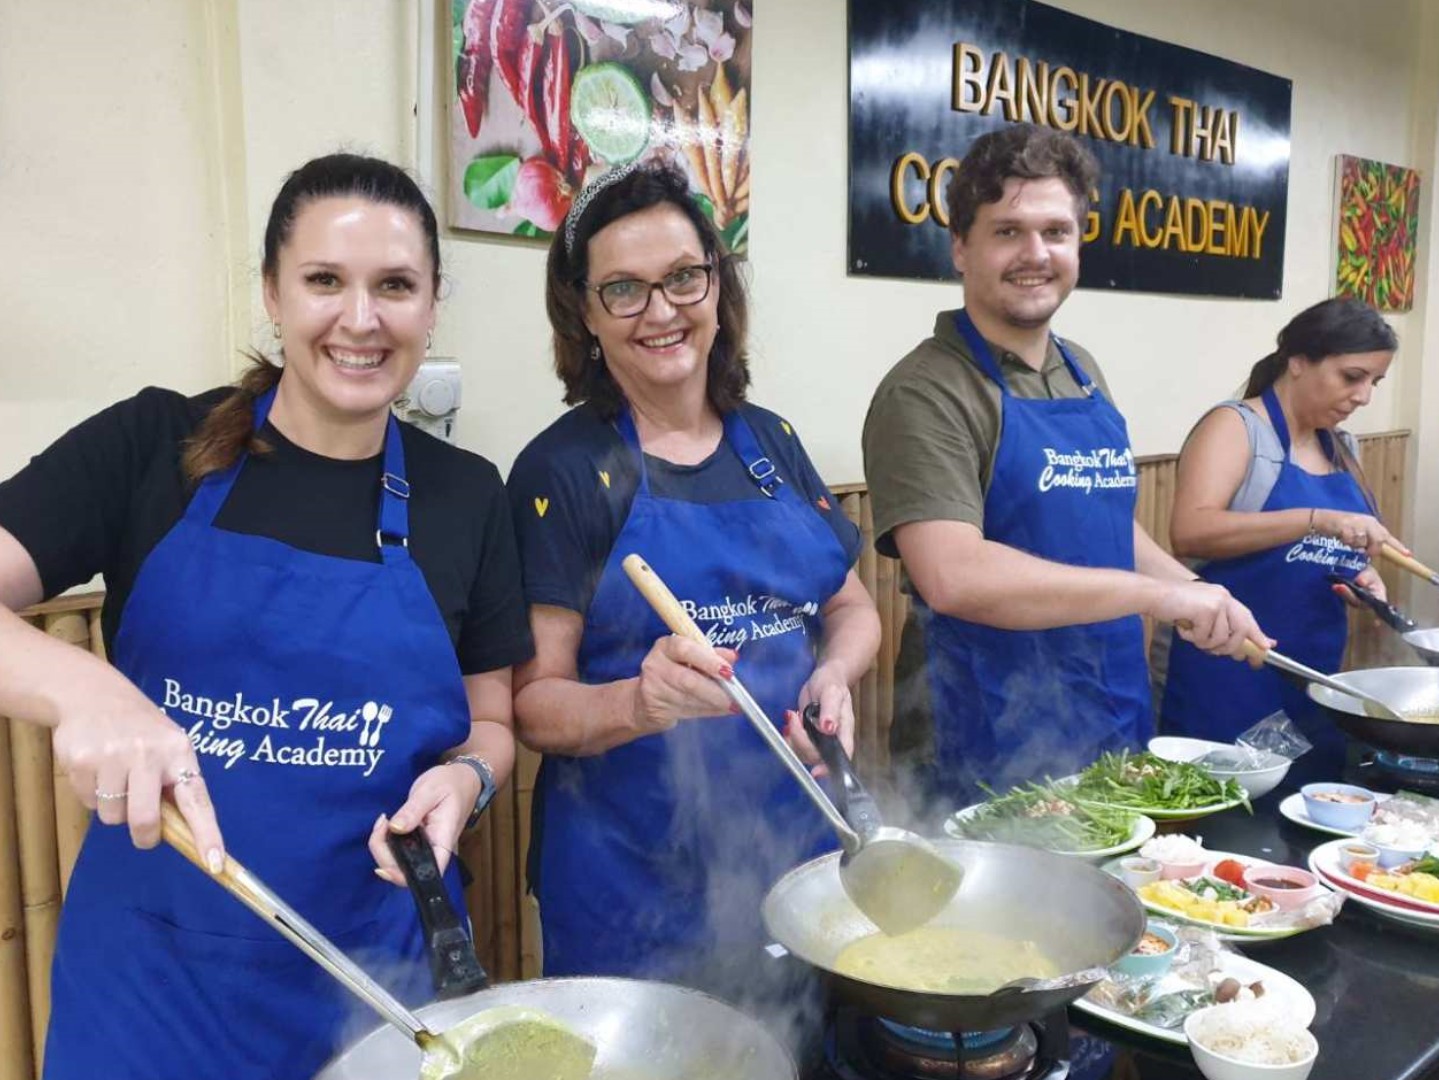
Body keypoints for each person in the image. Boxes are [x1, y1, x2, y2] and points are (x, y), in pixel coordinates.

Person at [0, 154, 533, 1079]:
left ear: (432, 303)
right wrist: (88, 691)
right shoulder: (154, 446)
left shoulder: (467, 494)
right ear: (272, 294)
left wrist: (467, 785)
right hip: (152, 995)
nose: (360, 319)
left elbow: (492, 724)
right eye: (324, 280)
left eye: (395, 286)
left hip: (376, 989)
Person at [508, 161, 881, 992]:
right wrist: (639, 704)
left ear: (717, 284)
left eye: (683, 277)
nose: (662, 311)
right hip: (635, 886)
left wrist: (834, 670)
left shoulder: (771, 440)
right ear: (584, 312)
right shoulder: (563, 471)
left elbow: (850, 605)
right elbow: (534, 704)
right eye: (624, 290)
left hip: (795, 852)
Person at [862, 124, 1269, 820]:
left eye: (1056, 231)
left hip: (1105, 714)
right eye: (1007, 232)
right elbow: (953, 576)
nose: (1035, 254)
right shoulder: (926, 391)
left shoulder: (1082, 370)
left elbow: (1109, 528)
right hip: (980, 736)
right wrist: (1154, 598)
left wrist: (1198, 591)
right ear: (960, 247)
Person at [1158, 298, 1399, 781]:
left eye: (1375, 382)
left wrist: (1361, 575)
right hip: (1226, 673)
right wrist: (1314, 518)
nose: (1364, 396)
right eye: (1352, 377)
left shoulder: (1341, 445)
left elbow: (1327, 546)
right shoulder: (1236, 426)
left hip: (1312, 675)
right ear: (1298, 362)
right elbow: (1190, 531)